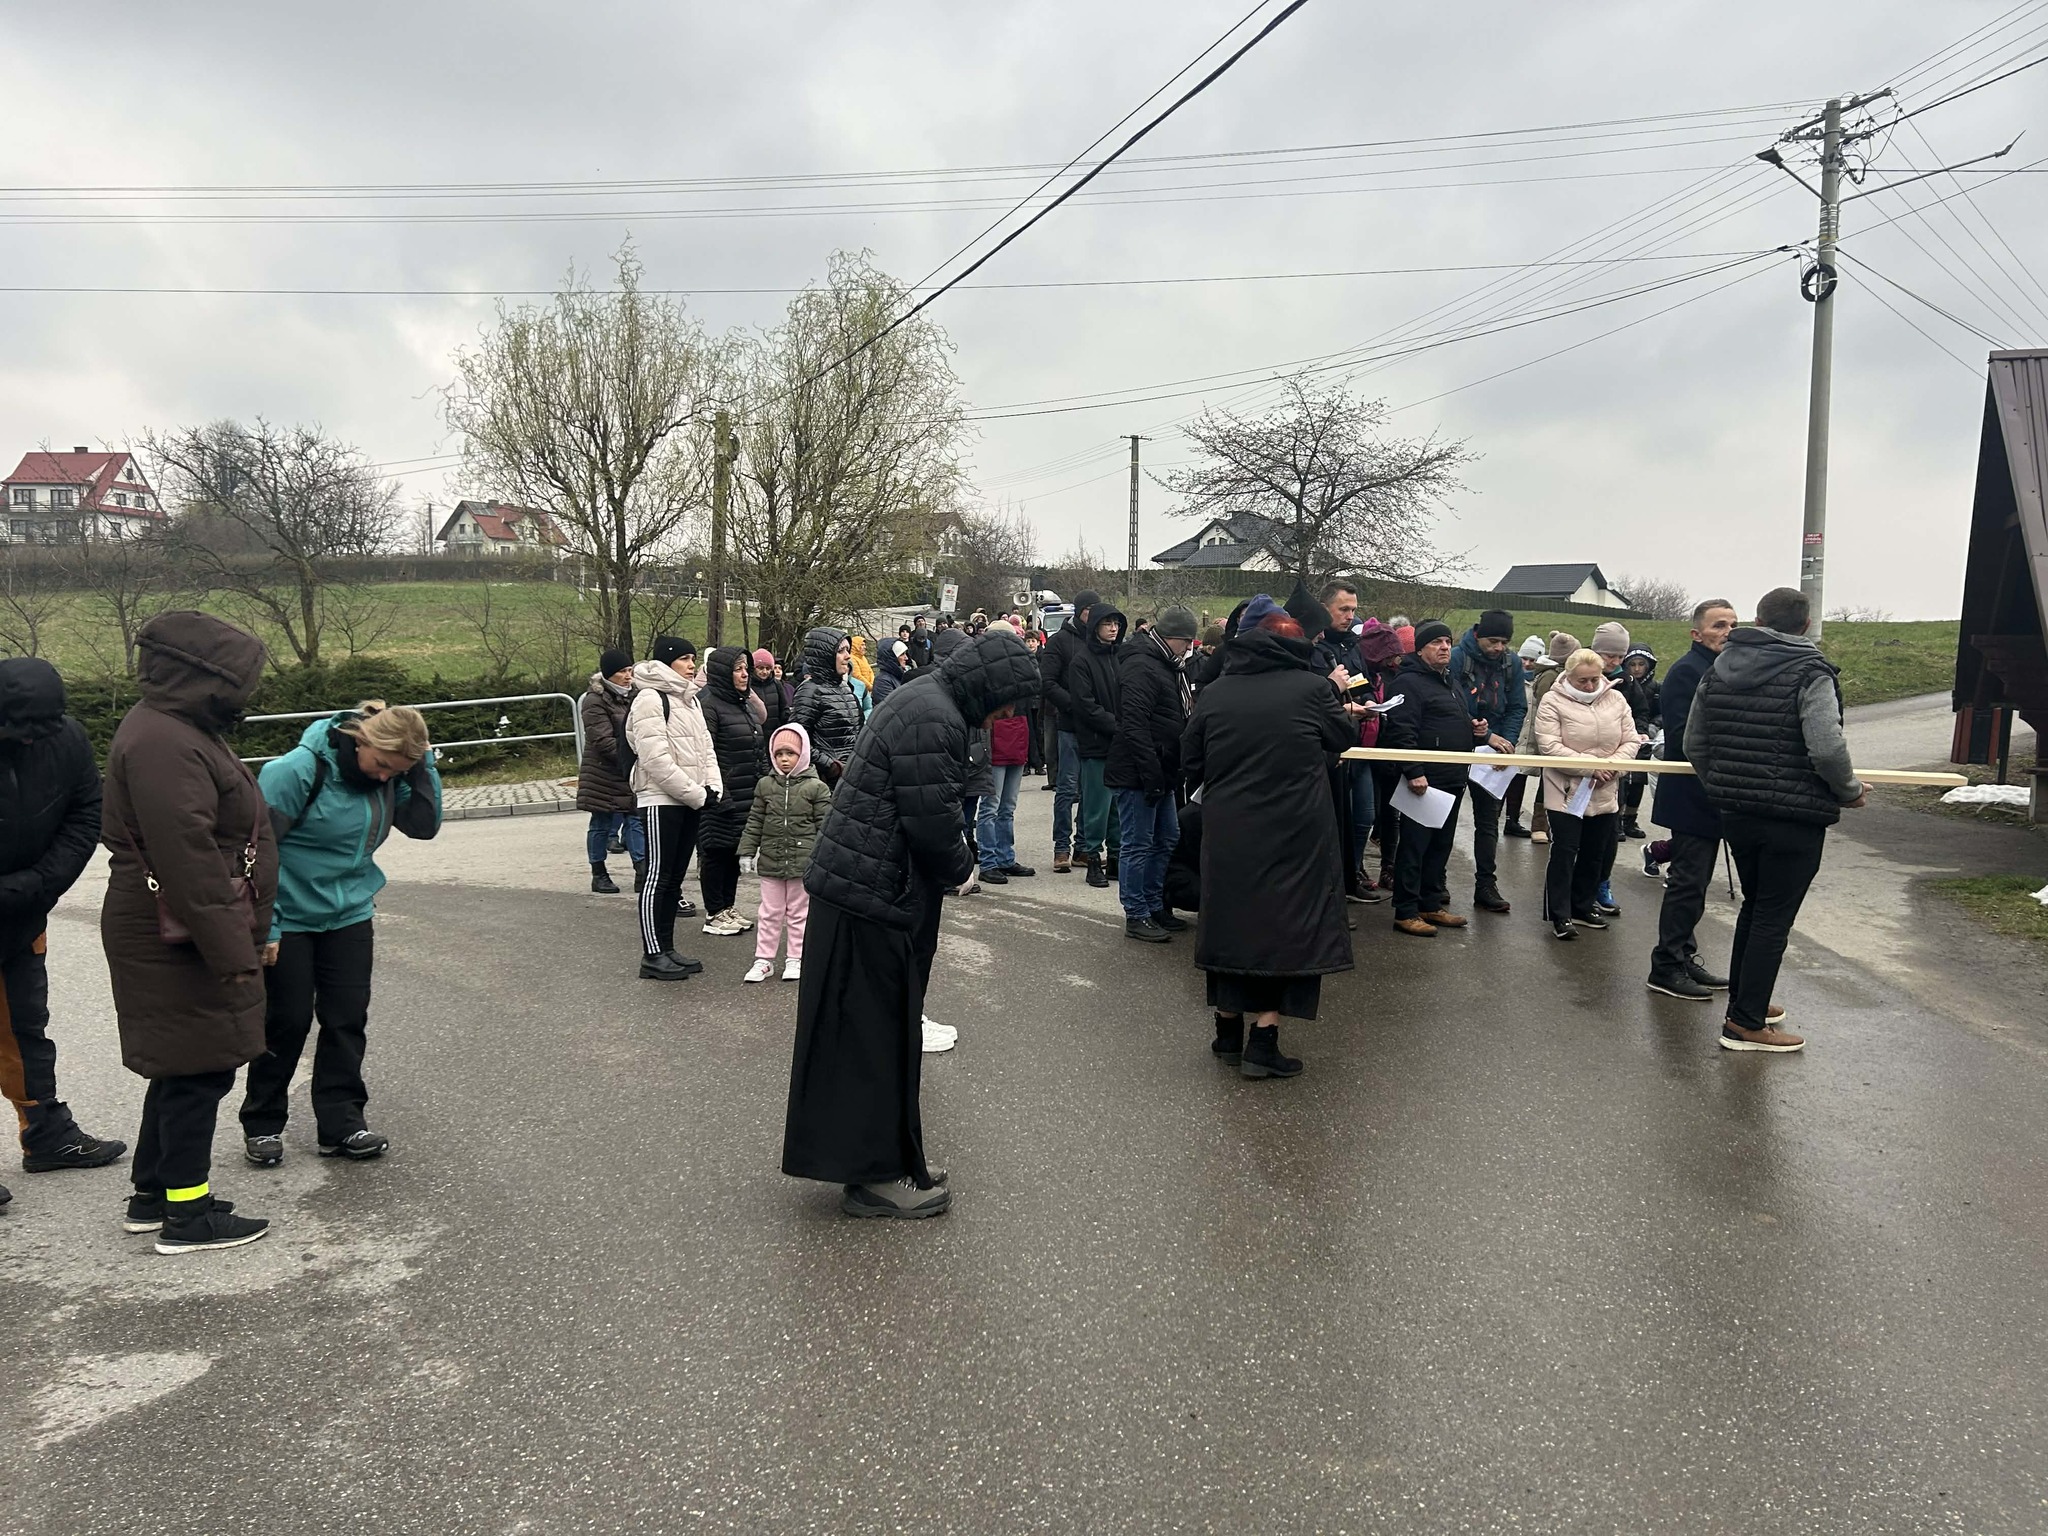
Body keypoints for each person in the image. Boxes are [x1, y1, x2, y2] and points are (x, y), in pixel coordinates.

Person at [782, 630, 1041, 1218]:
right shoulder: (935, 716)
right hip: (870, 898)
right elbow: (932, 820)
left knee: (874, 1037)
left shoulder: (928, 700)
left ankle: (891, 1160)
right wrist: (964, 868)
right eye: (1009, 701)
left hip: (864, 891)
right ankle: (875, 1176)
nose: (1008, 715)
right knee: (874, 1042)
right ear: (990, 686)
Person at [101, 612, 278, 1254]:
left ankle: (153, 1196)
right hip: (177, 934)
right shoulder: (165, 741)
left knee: (182, 1065)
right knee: (199, 1071)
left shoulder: (176, 727)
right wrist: (235, 955)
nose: (245, 697)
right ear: (206, 678)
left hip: (181, 929)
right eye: (241, 684)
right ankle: (188, 1213)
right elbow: (188, 858)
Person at [242, 701, 440, 1165]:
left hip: (349, 914)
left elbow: (424, 825)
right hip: (288, 917)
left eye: (396, 772)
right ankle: (262, 1124)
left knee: (346, 1020)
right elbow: (253, 854)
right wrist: (266, 925)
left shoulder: (388, 776)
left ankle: (342, 1124)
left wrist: (422, 764)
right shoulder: (294, 772)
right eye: (381, 764)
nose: (383, 777)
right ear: (361, 740)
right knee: (286, 1022)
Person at [1181, 595, 1354, 1078]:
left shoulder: (1217, 691)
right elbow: (1341, 738)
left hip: (1229, 827)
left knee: (1230, 923)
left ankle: (1226, 1031)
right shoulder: (1311, 688)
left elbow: (1190, 758)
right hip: (1294, 830)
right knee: (1284, 929)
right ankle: (1263, 1041)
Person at [1686, 587, 1865, 1053]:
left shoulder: (1718, 668)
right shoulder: (1811, 671)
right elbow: (1826, 747)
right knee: (1772, 916)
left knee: (1756, 906)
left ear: (1758, 620)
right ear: (1805, 625)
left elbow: (1693, 743)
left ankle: (1746, 1001)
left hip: (1736, 811)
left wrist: (1723, 785)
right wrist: (1849, 792)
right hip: (1794, 815)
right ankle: (1745, 1024)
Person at [0, 657, 124, 1207]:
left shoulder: (64, 738)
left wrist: (37, 884)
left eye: (40, 728)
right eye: (19, 729)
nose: (30, 739)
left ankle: (46, 1134)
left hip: (21, 915)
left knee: (26, 1027)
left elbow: (85, 812)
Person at [1645, 599, 1739, 1000]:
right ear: (1696, 633)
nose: (1728, 632)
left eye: (1733, 624)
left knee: (1697, 884)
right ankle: (1665, 966)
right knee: (1686, 883)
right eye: (1719, 625)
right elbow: (1686, 737)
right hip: (1690, 794)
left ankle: (1684, 956)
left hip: (1714, 793)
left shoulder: (1725, 668)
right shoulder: (1687, 670)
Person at [1532, 650, 1641, 940]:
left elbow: (1631, 740)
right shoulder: (1552, 701)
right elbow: (1549, 745)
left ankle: (1582, 905)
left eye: (1595, 679)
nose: (1590, 685)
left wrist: (1613, 767)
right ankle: (1560, 913)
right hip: (1566, 790)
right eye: (1582, 681)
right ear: (1568, 676)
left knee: (1596, 852)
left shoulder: (1616, 699)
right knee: (1565, 851)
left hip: (1606, 787)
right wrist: (1590, 767)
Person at [1106, 604, 1197, 941]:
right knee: (1138, 843)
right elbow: (1134, 725)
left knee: (1166, 837)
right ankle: (1136, 912)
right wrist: (1151, 774)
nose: (1188, 649)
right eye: (1186, 642)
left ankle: (1153, 904)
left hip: (1161, 768)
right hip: (1140, 772)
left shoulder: (1166, 665)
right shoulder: (1142, 666)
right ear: (1172, 637)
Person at [629, 636, 717, 982]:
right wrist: (695, 793)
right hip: (660, 800)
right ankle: (652, 954)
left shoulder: (689, 699)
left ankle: (667, 948)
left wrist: (712, 787)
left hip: (689, 799)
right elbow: (655, 759)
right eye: (684, 659)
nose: (692, 665)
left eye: (693, 658)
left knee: (674, 879)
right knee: (658, 877)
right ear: (667, 662)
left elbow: (706, 748)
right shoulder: (650, 698)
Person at [1380, 621, 1474, 938]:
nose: (1445, 647)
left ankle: (1429, 903)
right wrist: (1414, 770)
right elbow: (1401, 730)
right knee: (1414, 847)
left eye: (1447, 641)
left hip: (1453, 777)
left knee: (1440, 846)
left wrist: (1475, 729)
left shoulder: (1450, 681)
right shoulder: (1408, 684)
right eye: (1436, 642)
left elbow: (1450, 720)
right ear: (1420, 649)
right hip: (1425, 781)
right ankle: (1406, 910)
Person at [1446, 608, 1527, 917]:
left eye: (1504, 642)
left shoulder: (1511, 663)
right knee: (1446, 816)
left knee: (1488, 821)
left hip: (1493, 753)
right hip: (1458, 743)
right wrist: (1485, 734)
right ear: (1478, 634)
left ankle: (1486, 885)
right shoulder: (1456, 658)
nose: (1498, 648)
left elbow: (1517, 706)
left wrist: (1505, 743)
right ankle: (1436, 881)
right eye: (1493, 641)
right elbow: (1449, 700)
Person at [739, 723, 831, 983]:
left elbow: (825, 826)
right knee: (769, 912)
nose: (784, 759)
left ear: (802, 754)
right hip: (771, 861)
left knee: (800, 913)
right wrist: (747, 852)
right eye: (779, 754)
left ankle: (795, 957)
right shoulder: (765, 785)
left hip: (803, 863)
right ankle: (764, 959)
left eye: (790, 753)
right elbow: (755, 821)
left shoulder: (817, 787)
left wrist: (825, 859)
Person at [1314, 582, 1381, 904]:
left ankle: (1352, 875)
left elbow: (1361, 683)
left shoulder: (1353, 646)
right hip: (1328, 746)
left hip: (1357, 741)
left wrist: (1369, 701)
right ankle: (1332, 887)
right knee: (1333, 821)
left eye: (1353, 609)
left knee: (1364, 816)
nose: (1350, 616)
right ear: (1325, 608)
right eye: (1343, 609)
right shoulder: (1313, 647)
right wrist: (1341, 707)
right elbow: (1311, 696)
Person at [697, 647, 766, 937]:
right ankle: (714, 912)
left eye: (746, 668)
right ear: (723, 672)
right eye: (738, 669)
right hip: (721, 794)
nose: (744, 674)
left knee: (733, 851)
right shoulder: (708, 705)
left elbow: (757, 749)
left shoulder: (744, 704)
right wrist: (719, 793)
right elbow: (706, 754)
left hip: (745, 792)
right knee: (716, 852)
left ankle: (728, 907)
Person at [1067, 602, 1127, 889]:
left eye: (1116, 624)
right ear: (1095, 627)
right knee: (1096, 806)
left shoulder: (1119, 657)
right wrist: (1117, 725)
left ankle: (1115, 857)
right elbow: (1085, 705)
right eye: (1107, 623)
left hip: (1120, 744)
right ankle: (1092, 858)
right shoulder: (1081, 661)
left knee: (1117, 806)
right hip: (1096, 743)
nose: (1113, 629)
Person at [1037, 590, 1098, 870]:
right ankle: (1061, 847)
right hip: (1070, 724)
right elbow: (1048, 682)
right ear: (1080, 611)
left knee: (1090, 789)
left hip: (1094, 726)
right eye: (1089, 610)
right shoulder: (1059, 641)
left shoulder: (1099, 641)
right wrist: (1073, 705)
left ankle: (1083, 847)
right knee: (1066, 788)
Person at [578, 649, 644, 894]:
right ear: (608, 675)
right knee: (601, 822)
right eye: (622, 672)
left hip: (630, 769)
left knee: (635, 819)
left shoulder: (636, 695)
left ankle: (642, 870)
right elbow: (602, 740)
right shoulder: (594, 700)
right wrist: (634, 756)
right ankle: (599, 873)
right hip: (603, 772)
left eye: (630, 671)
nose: (628, 676)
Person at [1357, 619, 1407, 890]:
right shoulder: (1361, 673)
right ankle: (1357, 866)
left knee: (1390, 814)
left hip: (1387, 751)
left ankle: (1389, 866)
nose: (1394, 660)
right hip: (1365, 751)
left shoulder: (1393, 676)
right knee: (1367, 813)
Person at [977, 682, 1035, 884]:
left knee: (1007, 807)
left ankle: (1005, 858)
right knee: (991, 807)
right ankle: (988, 863)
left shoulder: (1022, 682)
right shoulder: (993, 680)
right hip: (996, 741)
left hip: (1018, 737)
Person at [1525, 631, 1578, 846]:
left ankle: (1554, 824)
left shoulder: (1561, 674)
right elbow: (1549, 708)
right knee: (1549, 779)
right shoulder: (1550, 677)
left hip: (1568, 732)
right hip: (1553, 733)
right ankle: (1539, 824)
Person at [793, 627, 862, 785]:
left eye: (848, 650)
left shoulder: (844, 687)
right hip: (827, 782)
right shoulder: (809, 691)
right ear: (825, 656)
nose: (848, 656)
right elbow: (798, 740)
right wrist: (831, 767)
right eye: (841, 651)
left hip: (854, 775)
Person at [1502, 636, 1547, 838]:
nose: (1527, 664)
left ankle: (1513, 820)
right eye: (1524, 658)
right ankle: (1501, 818)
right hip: (1515, 736)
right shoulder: (1512, 679)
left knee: (1521, 780)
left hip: (1533, 738)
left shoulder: (1542, 682)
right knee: (1507, 780)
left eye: (1532, 660)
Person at [1616, 647, 1661, 840]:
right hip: (1621, 736)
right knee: (1621, 779)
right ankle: (1616, 819)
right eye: (1632, 664)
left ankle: (1630, 819)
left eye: (1641, 664)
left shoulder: (1656, 688)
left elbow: (1662, 711)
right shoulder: (1622, 683)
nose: (1636, 669)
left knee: (1638, 781)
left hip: (1644, 736)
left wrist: (1653, 726)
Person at [751, 650, 792, 735]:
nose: (764, 672)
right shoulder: (748, 686)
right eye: (761, 668)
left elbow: (784, 709)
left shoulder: (776, 685)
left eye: (768, 668)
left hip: (774, 732)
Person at [872, 639, 909, 704]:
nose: (906, 658)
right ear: (892, 657)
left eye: (905, 653)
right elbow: (890, 707)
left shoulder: (900, 676)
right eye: (902, 654)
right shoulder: (882, 682)